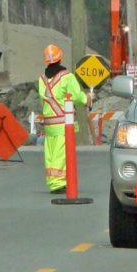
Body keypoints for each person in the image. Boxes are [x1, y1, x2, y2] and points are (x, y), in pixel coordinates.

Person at [38, 43, 90, 194]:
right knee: (61, 154)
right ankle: (58, 183)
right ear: (60, 58)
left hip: (49, 123)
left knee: (51, 153)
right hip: (63, 123)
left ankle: (52, 180)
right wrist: (87, 99)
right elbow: (77, 96)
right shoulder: (67, 77)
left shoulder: (42, 80)